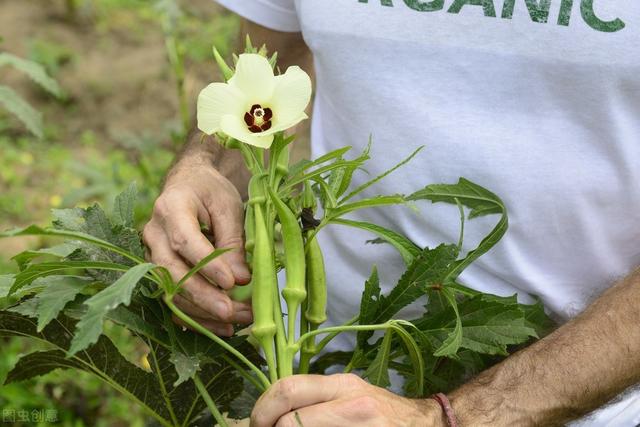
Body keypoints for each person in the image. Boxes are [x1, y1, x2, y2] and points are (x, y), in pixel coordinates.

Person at [142, 1, 640, 425]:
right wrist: (205, 163)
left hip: (586, 401)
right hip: (316, 375)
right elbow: (270, 58)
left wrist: (454, 415)